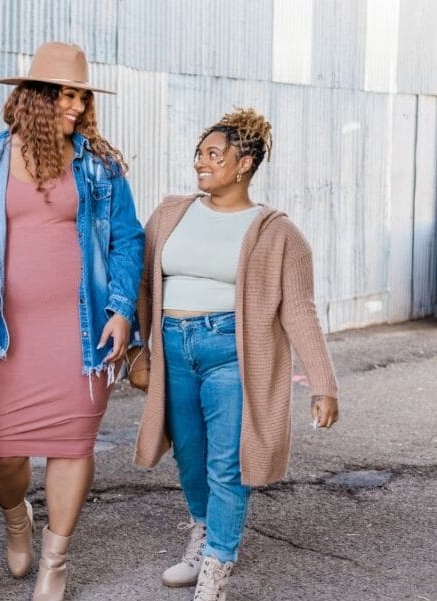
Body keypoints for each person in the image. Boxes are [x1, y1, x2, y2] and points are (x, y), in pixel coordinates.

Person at [0, 42, 144, 601]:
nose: (76, 107)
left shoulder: (99, 168)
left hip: (81, 333)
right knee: (2, 454)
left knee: (71, 447)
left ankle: (55, 561)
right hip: (8, 335)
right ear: (35, 98)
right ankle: (15, 518)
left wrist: (122, 311)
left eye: (81, 96)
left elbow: (128, 238)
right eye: (66, 96)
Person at [130, 108, 340, 601]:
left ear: (243, 164)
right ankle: (201, 536)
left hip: (232, 354)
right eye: (199, 154)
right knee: (189, 456)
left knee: (226, 465)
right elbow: (142, 282)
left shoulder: (277, 232)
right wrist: (139, 348)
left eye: (213, 154)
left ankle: (217, 569)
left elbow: (301, 311)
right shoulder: (170, 213)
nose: (200, 163)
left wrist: (323, 383)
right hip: (175, 349)